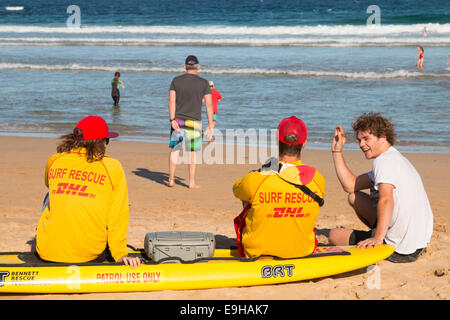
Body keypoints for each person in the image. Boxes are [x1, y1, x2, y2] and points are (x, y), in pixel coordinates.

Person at [36, 115, 141, 268]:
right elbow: (117, 215)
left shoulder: (55, 160)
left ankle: (54, 239)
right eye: (107, 141)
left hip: (45, 252)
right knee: (110, 202)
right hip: (88, 255)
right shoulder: (112, 167)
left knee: (50, 196)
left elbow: (48, 183)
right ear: (101, 143)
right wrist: (119, 254)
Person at [328, 112, 433, 263]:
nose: (361, 145)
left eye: (366, 139)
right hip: (418, 244)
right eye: (359, 140)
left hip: (400, 249)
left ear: (383, 137)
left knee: (334, 236)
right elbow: (350, 185)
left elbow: (386, 200)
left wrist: (378, 238)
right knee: (353, 196)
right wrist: (337, 151)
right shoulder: (395, 158)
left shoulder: (383, 162)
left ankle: (378, 235)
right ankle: (379, 232)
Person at [232, 116, 325, 258]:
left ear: (277, 140)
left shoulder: (257, 178)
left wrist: (257, 174)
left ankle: (264, 242)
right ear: (304, 143)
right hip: (302, 251)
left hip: (258, 253)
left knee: (249, 195)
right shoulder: (317, 179)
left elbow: (236, 189)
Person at [168, 55, 214, 189]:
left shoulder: (176, 81)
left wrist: (172, 119)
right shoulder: (204, 83)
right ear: (198, 67)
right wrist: (210, 124)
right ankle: (191, 182)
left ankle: (171, 180)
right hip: (194, 122)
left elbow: (171, 101)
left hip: (178, 120)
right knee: (192, 153)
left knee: (175, 150)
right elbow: (209, 105)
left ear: (184, 67)